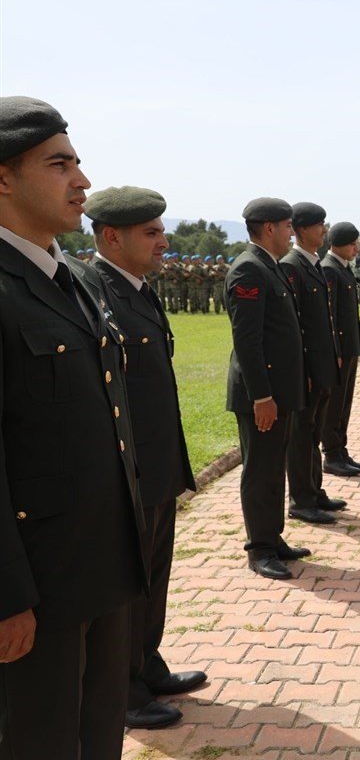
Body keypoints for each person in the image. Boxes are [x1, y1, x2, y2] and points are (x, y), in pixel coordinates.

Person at [0, 96, 148, 760]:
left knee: (98, 740)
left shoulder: (71, 281)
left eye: (78, 163)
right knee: (39, 755)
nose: (82, 182)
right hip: (37, 587)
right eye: (59, 165)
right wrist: (6, 595)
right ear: (4, 177)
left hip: (101, 564)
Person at [85, 186, 208, 731]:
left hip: (156, 464)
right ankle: (125, 693)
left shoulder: (136, 289)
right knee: (128, 589)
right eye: (151, 232)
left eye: (162, 230)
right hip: (128, 471)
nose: (164, 241)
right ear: (113, 237)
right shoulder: (95, 291)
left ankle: (146, 665)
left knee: (154, 579)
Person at [225, 197, 308, 581]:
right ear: (270, 228)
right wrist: (262, 396)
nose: (292, 233)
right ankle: (259, 548)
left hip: (278, 392)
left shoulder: (268, 266)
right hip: (262, 395)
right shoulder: (248, 269)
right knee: (260, 469)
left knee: (274, 467)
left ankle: (272, 537)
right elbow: (247, 341)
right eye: (288, 226)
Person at [281, 202, 347, 523]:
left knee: (313, 432)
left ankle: (314, 490)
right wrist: (303, 367)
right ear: (302, 229)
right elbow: (293, 324)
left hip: (321, 366)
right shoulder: (291, 266)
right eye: (319, 224)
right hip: (307, 368)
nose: (324, 230)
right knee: (301, 434)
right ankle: (301, 499)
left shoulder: (313, 262)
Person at [321, 222, 360, 475]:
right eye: (352, 244)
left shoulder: (343, 268)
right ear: (338, 244)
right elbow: (329, 315)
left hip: (350, 347)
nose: (356, 248)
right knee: (334, 404)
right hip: (339, 351)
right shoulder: (329, 269)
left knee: (344, 403)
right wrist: (335, 351)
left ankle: (341, 450)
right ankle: (331, 454)